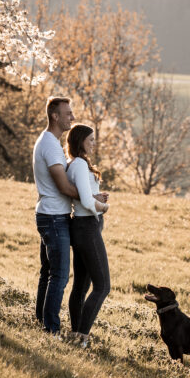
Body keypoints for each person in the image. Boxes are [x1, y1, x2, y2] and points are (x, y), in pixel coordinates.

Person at [33, 96, 78, 334]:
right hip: (53, 218)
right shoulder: (50, 144)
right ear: (55, 116)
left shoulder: (50, 142)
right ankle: (51, 329)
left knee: (48, 273)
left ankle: (41, 320)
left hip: (48, 214)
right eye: (68, 113)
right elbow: (63, 186)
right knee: (59, 276)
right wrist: (89, 199)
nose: (72, 116)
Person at [66, 123, 111, 347]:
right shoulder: (80, 165)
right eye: (91, 139)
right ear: (80, 140)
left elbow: (85, 195)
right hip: (87, 227)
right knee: (103, 286)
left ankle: (75, 332)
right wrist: (103, 207)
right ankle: (82, 335)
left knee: (81, 286)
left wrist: (96, 196)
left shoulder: (75, 164)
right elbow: (85, 202)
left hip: (82, 227)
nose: (94, 143)